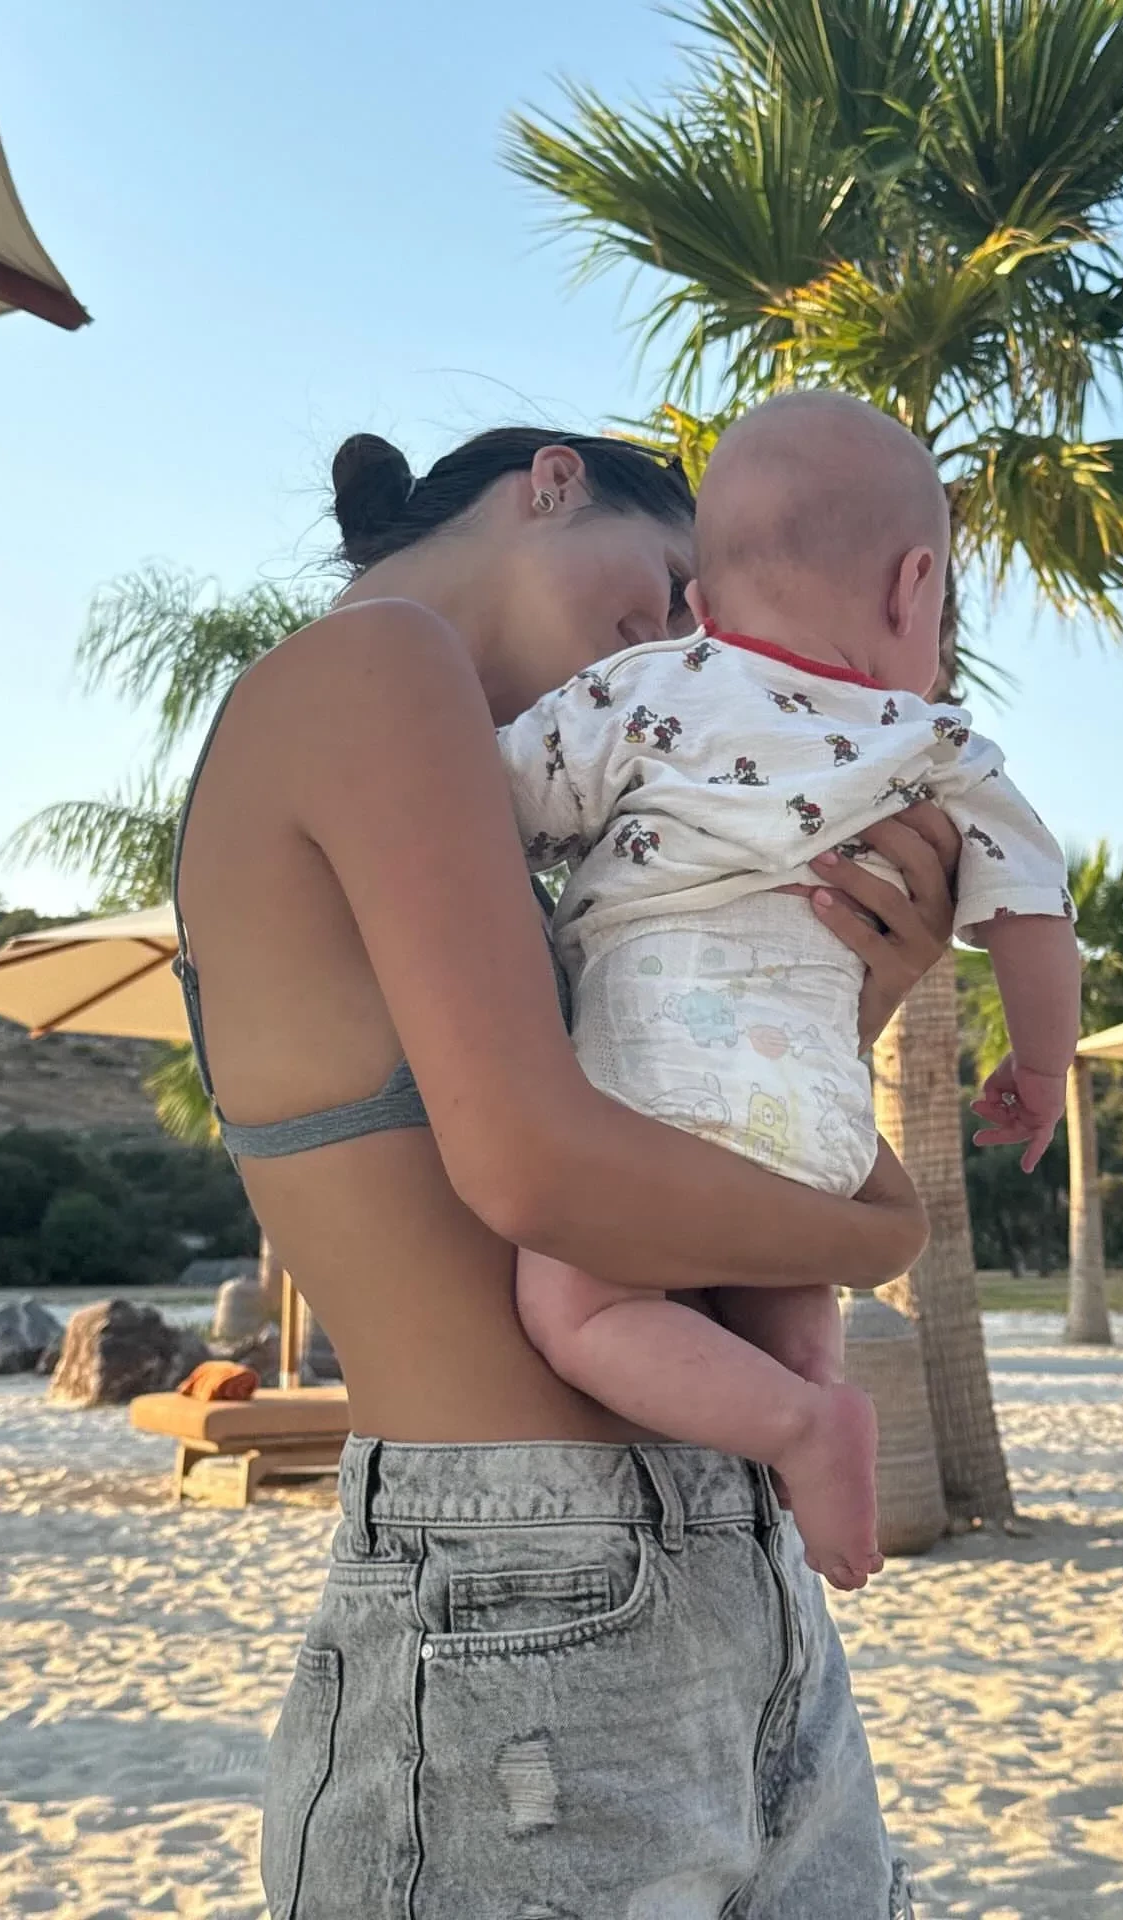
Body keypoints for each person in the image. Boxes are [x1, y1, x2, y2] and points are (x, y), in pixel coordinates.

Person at [172, 421, 956, 1919]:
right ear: (551, 483)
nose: (684, 642)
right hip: (516, 1576)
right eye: (670, 588)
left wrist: (854, 989)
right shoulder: (373, 662)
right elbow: (536, 1175)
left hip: (699, 1566)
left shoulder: (525, 812)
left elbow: (682, 1195)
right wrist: (879, 1233)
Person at [499, 392, 1081, 1593]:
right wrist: (1039, 1067)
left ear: (702, 601)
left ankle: (804, 1426)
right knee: (785, 1283)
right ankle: (809, 1393)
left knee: (579, 1310)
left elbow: (496, 804)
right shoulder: (939, 750)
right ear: (915, 590)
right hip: (815, 1116)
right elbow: (1036, 916)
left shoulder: (643, 689)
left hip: (649, 1095)